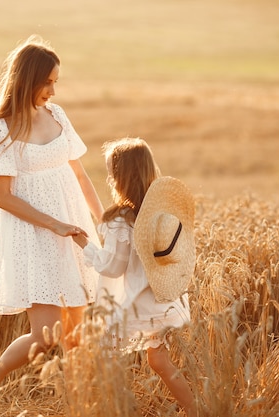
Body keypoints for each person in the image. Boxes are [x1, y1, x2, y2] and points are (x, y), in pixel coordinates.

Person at [0, 35, 104, 407]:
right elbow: (4, 198)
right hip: (33, 235)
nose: (54, 91)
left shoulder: (57, 116)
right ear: (27, 79)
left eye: (56, 82)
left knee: (76, 333)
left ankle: (79, 404)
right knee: (45, 334)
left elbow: (80, 175)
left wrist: (102, 220)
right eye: (48, 82)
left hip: (73, 229)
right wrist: (54, 225)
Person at [71, 137, 200, 417]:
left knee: (105, 358)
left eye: (110, 172)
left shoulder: (120, 219)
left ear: (121, 177)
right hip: (163, 299)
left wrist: (86, 246)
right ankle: (196, 410)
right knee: (158, 359)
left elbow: (113, 268)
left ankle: (113, 410)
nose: (108, 178)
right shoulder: (159, 214)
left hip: (138, 304)